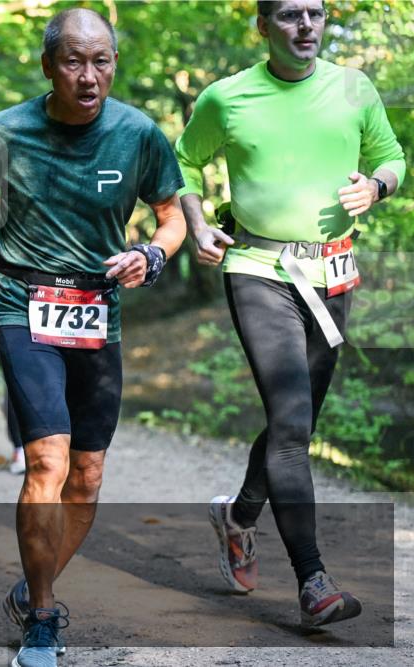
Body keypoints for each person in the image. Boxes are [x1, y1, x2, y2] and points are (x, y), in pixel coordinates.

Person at [0, 9, 186, 666]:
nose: (89, 76)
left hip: (97, 309)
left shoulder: (139, 132)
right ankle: (45, 617)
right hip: (23, 302)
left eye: (102, 61)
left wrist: (154, 254)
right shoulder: (6, 129)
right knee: (48, 461)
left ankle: (33, 583)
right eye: (74, 62)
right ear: (49, 66)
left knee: (86, 473)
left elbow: (172, 217)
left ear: (114, 63)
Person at [175, 0, 405, 628]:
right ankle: (313, 580)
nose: (306, 26)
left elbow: (392, 156)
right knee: (293, 424)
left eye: (316, 13)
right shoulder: (227, 98)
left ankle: (239, 515)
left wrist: (377, 186)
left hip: (333, 273)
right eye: (289, 15)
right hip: (259, 268)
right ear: (263, 26)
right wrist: (197, 222)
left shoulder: (353, 87)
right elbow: (184, 161)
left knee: (293, 420)